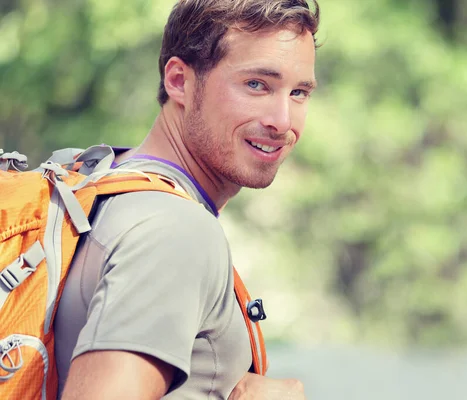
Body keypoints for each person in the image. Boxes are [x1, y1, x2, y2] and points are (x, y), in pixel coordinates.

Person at [53, 0, 320, 398]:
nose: (282, 121)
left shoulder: (94, 181)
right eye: (257, 85)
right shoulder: (174, 232)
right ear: (179, 81)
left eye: (298, 92)